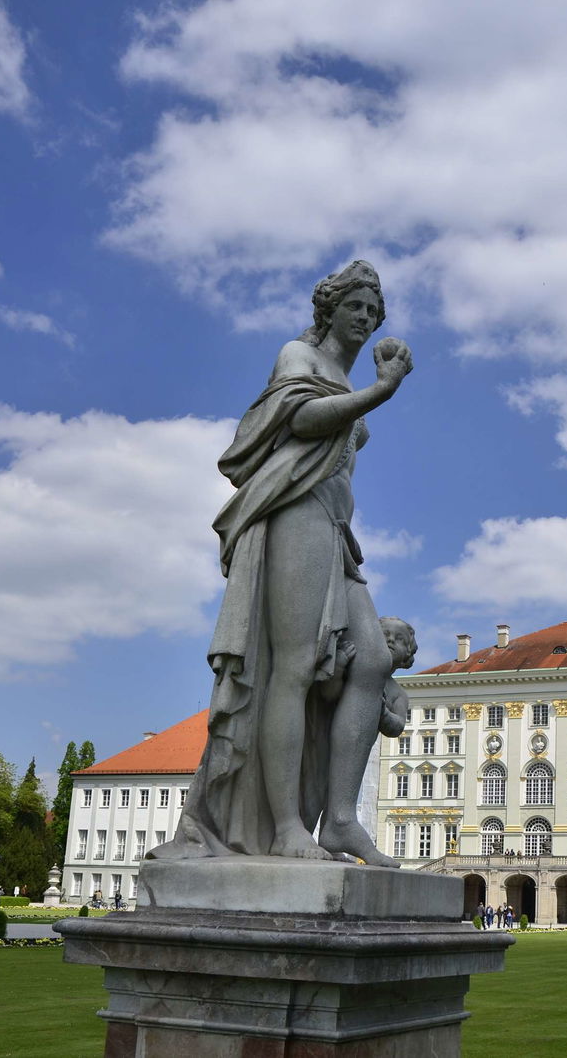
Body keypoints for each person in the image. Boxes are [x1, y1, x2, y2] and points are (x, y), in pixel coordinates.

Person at [153, 261, 414, 867]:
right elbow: (299, 419)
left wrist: (370, 389)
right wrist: (381, 391)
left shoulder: (345, 378)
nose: (364, 318)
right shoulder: (299, 356)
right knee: (293, 669)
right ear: (330, 309)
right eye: (355, 307)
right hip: (296, 513)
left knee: (372, 660)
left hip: (336, 529)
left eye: (373, 311)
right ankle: (286, 828)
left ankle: (340, 821)